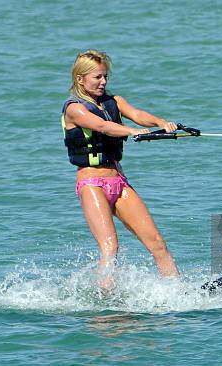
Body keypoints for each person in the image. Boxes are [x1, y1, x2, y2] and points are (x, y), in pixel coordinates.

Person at [61, 49, 179, 290]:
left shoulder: (113, 101)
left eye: (105, 77)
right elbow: (102, 126)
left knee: (156, 242)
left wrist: (160, 123)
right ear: (80, 79)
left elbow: (137, 114)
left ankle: (178, 292)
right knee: (110, 246)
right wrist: (133, 132)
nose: (103, 82)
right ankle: (105, 298)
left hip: (119, 182)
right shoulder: (74, 108)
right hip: (92, 184)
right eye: (97, 77)